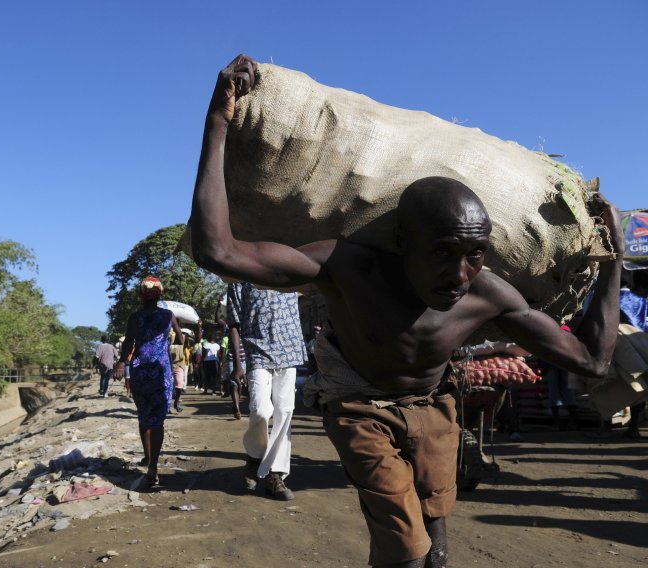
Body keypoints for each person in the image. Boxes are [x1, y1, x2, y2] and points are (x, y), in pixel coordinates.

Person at [189, 55, 625, 567]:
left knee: (436, 546)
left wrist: (612, 257)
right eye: (441, 253)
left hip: (435, 407)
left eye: (475, 253)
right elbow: (217, 251)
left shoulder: (488, 295)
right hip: (359, 407)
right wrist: (218, 123)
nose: (460, 275)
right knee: (407, 552)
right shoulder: (348, 267)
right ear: (401, 243)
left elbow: (593, 360)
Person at [227, 282, 307, 501]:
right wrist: (237, 363)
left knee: (284, 411)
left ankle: (275, 475)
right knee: (261, 409)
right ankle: (254, 455)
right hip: (256, 351)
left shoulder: (287, 273)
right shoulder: (238, 280)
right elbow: (233, 323)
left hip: (289, 351)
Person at [114, 276, 182, 486]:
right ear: (161, 294)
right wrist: (167, 339)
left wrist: (122, 363)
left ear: (139, 295)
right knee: (158, 420)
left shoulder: (135, 317)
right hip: (161, 371)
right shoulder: (168, 316)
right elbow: (180, 339)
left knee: (144, 416)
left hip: (140, 370)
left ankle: (147, 456)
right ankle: (153, 465)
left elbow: (129, 344)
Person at [620, 270, 648, 437]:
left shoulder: (623, 299)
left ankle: (633, 427)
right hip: (642, 347)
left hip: (630, 350)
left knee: (635, 388)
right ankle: (633, 427)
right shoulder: (640, 299)